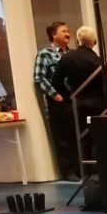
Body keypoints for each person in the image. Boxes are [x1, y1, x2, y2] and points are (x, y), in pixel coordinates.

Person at [52, 26, 107, 174]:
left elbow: (56, 81)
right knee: (99, 136)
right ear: (94, 42)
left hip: (79, 102)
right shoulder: (98, 60)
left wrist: (69, 96)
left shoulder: (67, 58)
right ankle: (100, 170)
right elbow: (106, 84)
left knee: (82, 138)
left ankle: (85, 171)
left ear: (78, 40)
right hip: (98, 103)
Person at [34, 21, 78, 181]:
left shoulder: (72, 54)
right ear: (53, 35)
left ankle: (80, 168)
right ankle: (68, 171)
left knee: (76, 134)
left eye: (68, 31)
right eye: (63, 31)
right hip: (58, 100)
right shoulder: (45, 54)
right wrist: (55, 95)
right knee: (63, 137)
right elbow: (39, 77)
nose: (68, 34)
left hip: (74, 98)